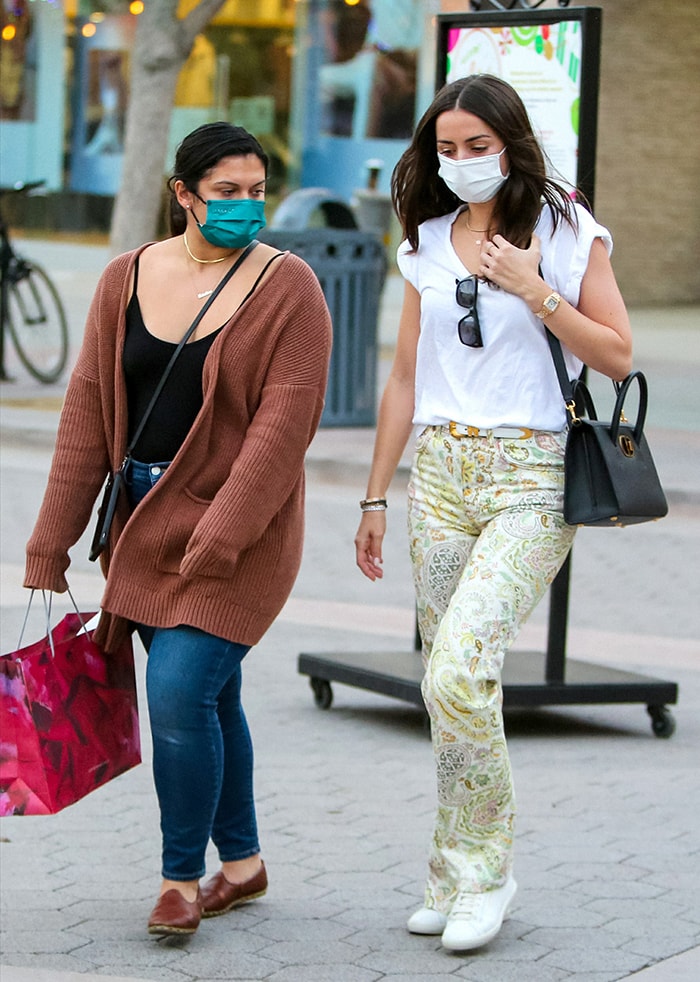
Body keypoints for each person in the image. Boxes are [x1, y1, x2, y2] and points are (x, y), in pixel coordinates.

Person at [24, 122, 332, 937]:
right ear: (184, 194)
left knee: (177, 692)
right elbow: (87, 410)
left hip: (241, 531)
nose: (245, 206)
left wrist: (224, 530)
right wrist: (49, 542)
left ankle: (178, 880)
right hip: (144, 526)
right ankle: (245, 864)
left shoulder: (289, 286)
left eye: (256, 191)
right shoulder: (125, 277)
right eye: (226, 192)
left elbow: (283, 427)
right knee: (211, 697)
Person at [354, 75, 632, 952]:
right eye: (448, 148)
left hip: (531, 471)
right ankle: (450, 867)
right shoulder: (428, 241)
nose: (464, 161)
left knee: (457, 672)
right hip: (439, 470)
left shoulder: (565, 230)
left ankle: (487, 871)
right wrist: (373, 493)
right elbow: (404, 377)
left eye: (479, 144)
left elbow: (618, 356)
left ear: (511, 142)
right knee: (451, 684)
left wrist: (534, 288)